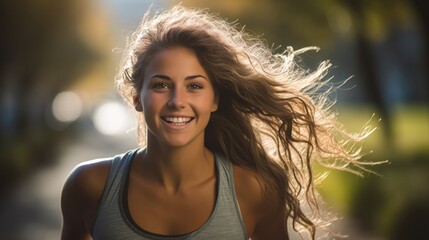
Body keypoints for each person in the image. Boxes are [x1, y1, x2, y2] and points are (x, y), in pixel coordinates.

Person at [61, 5, 376, 240]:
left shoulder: (254, 190)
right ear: (136, 96)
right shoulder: (90, 185)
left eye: (195, 86)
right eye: (160, 85)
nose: (177, 100)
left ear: (215, 99)